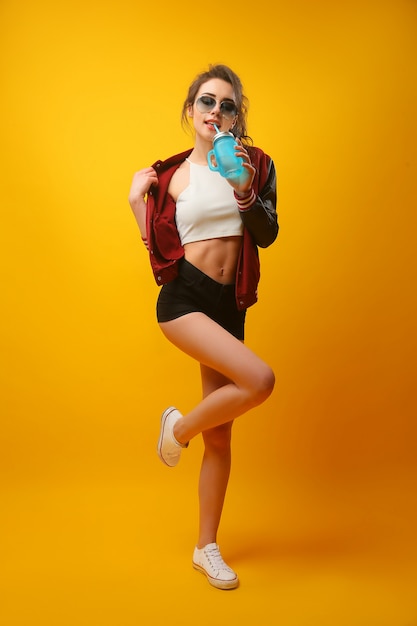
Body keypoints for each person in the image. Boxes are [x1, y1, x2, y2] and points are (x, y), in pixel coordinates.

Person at [128, 64, 278, 590]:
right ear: (191, 110)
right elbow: (160, 253)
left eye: (228, 105)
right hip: (184, 299)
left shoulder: (253, 164)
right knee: (260, 381)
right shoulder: (171, 177)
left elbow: (268, 233)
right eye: (207, 102)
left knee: (220, 438)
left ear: (237, 117)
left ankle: (205, 547)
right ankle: (179, 430)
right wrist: (134, 204)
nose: (217, 111)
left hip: (229, 304)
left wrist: (242, 188)